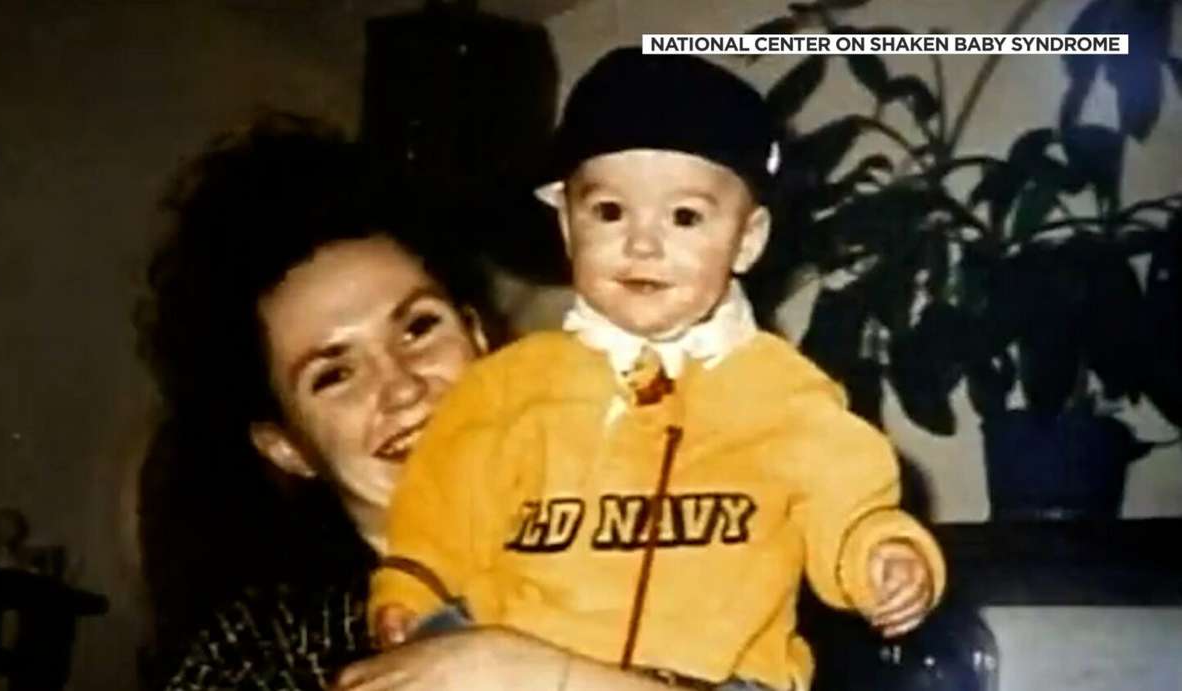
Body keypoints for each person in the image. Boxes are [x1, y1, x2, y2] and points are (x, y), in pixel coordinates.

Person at [369, 48, 947, 691]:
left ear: (747, 239)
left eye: (685, 217)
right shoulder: (508, 387)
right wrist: (411, 590)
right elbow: (441, 505)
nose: (643, 243)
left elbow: (850, 496)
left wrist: (881, 553)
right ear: (565, 221)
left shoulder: (784, 391)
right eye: (610, 212)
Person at [137, 110, 690, 691]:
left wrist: (536, 675)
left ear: (477, 339)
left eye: (418, 327)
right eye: (334, 375)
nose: (402, 385)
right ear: (286, 448)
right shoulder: (262, 650)